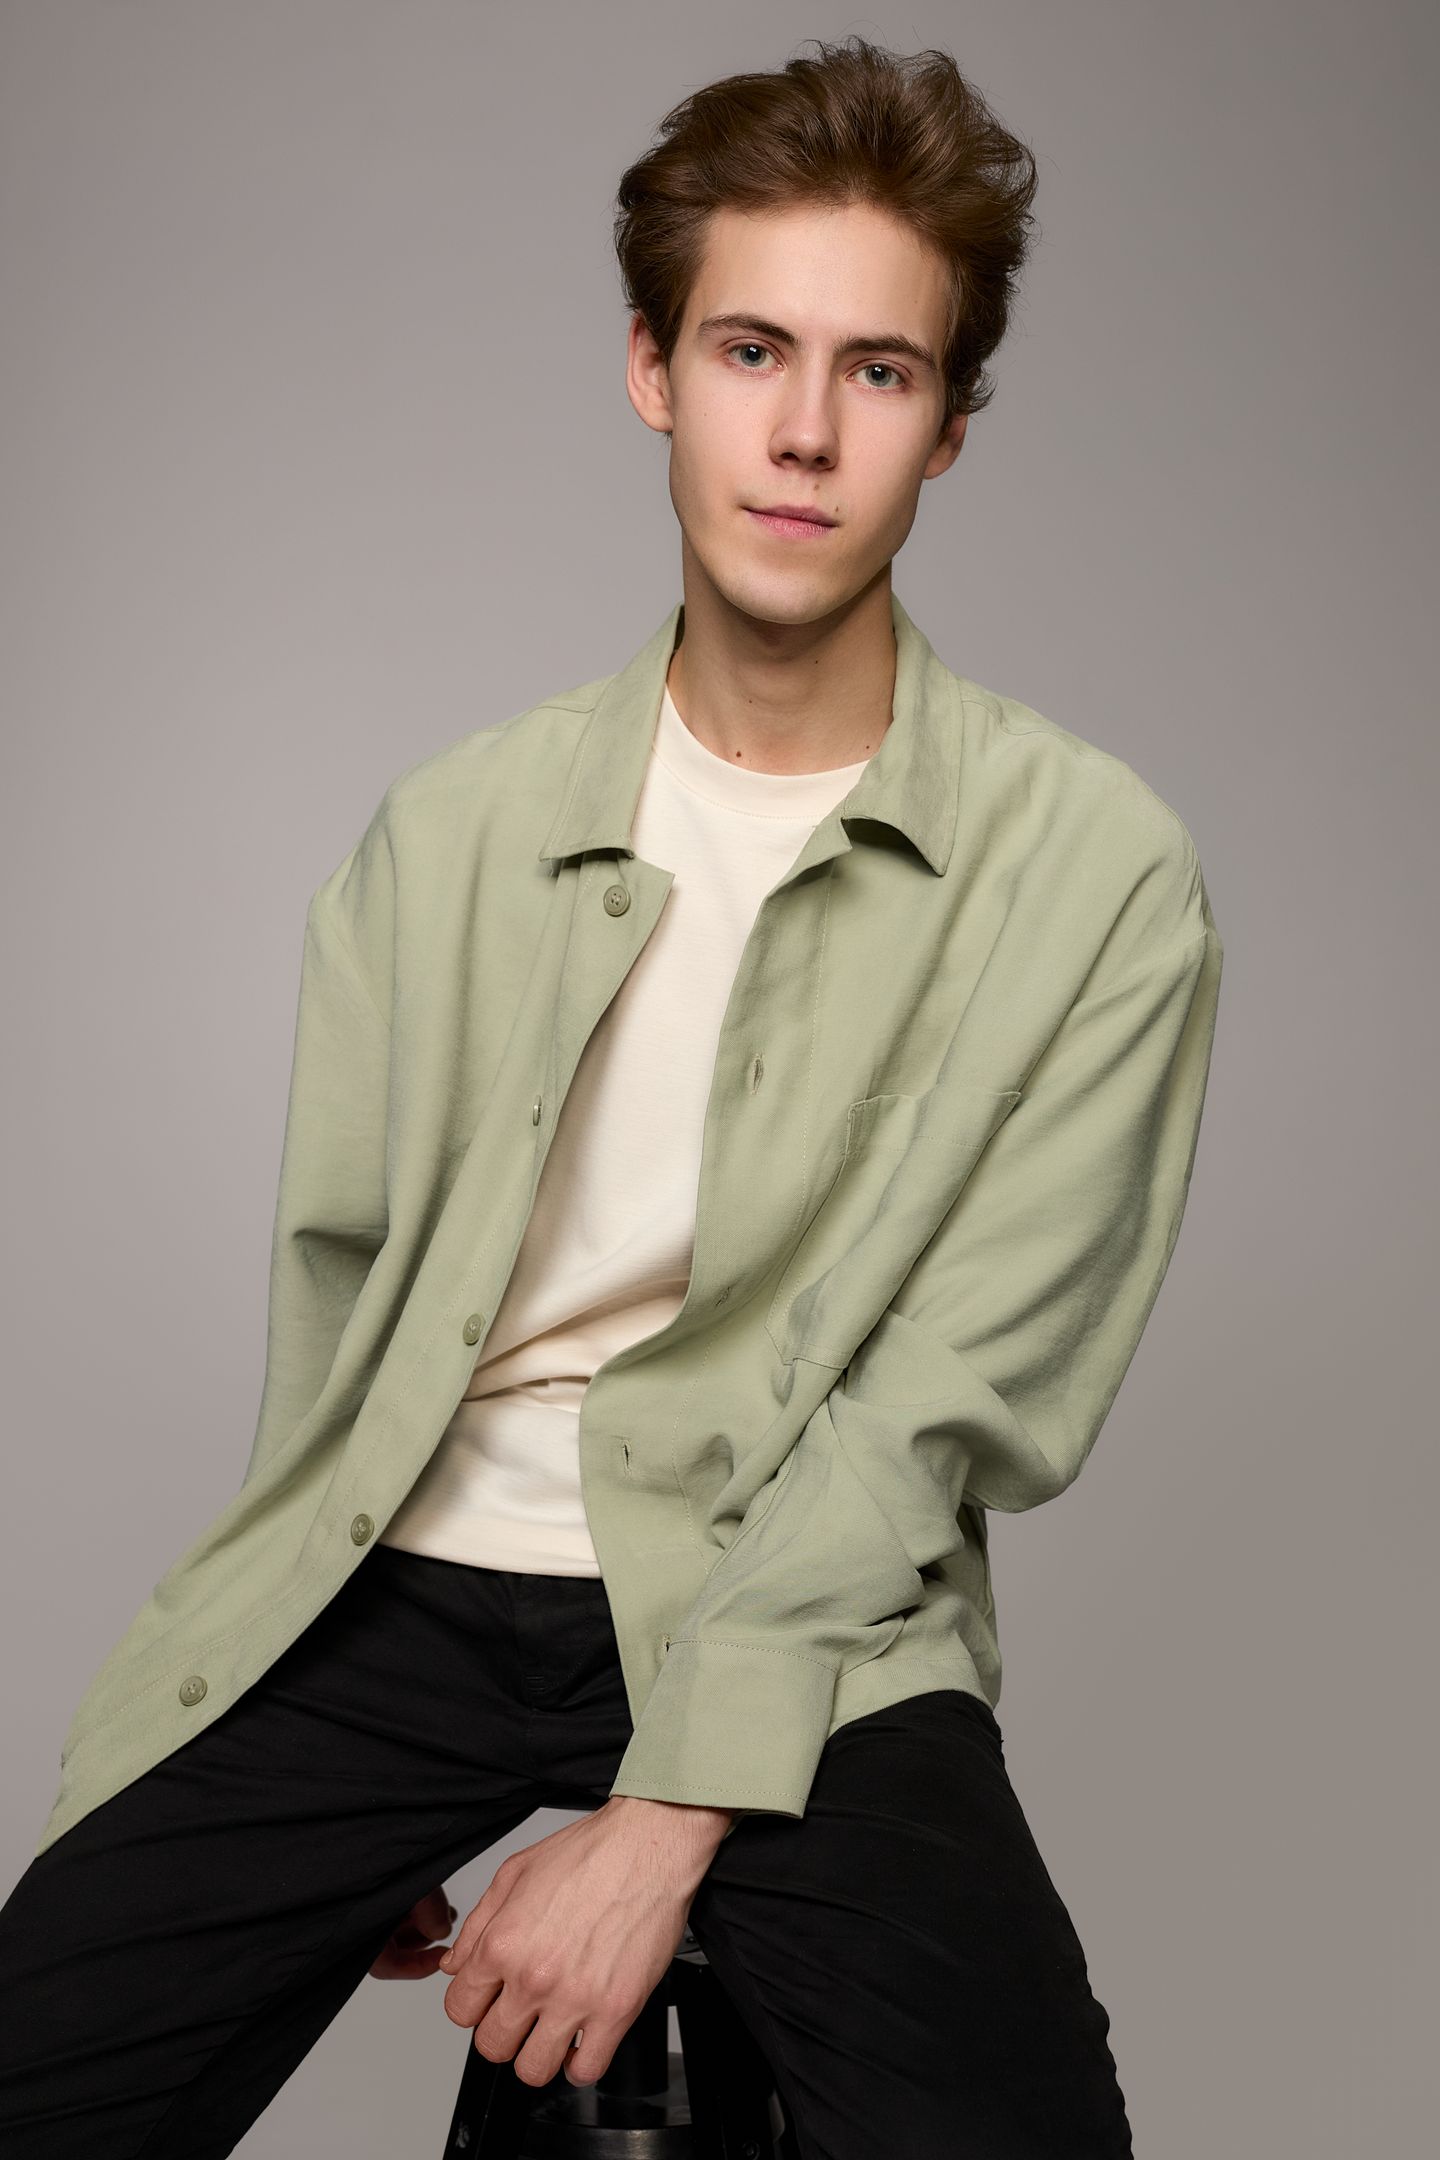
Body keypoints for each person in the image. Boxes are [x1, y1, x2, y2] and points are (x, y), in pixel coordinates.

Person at [0, 33, 1222, 2158]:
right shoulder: (455, 832)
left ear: (949, 424)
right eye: (753, 351)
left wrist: (666, 1815)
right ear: (654, 370)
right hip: (407, 1577)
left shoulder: (1096, 873)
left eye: (879, 371)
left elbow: (946, 1408)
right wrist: (300, 1701)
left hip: (803, 1601)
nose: (806, 433)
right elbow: (345, 1313)